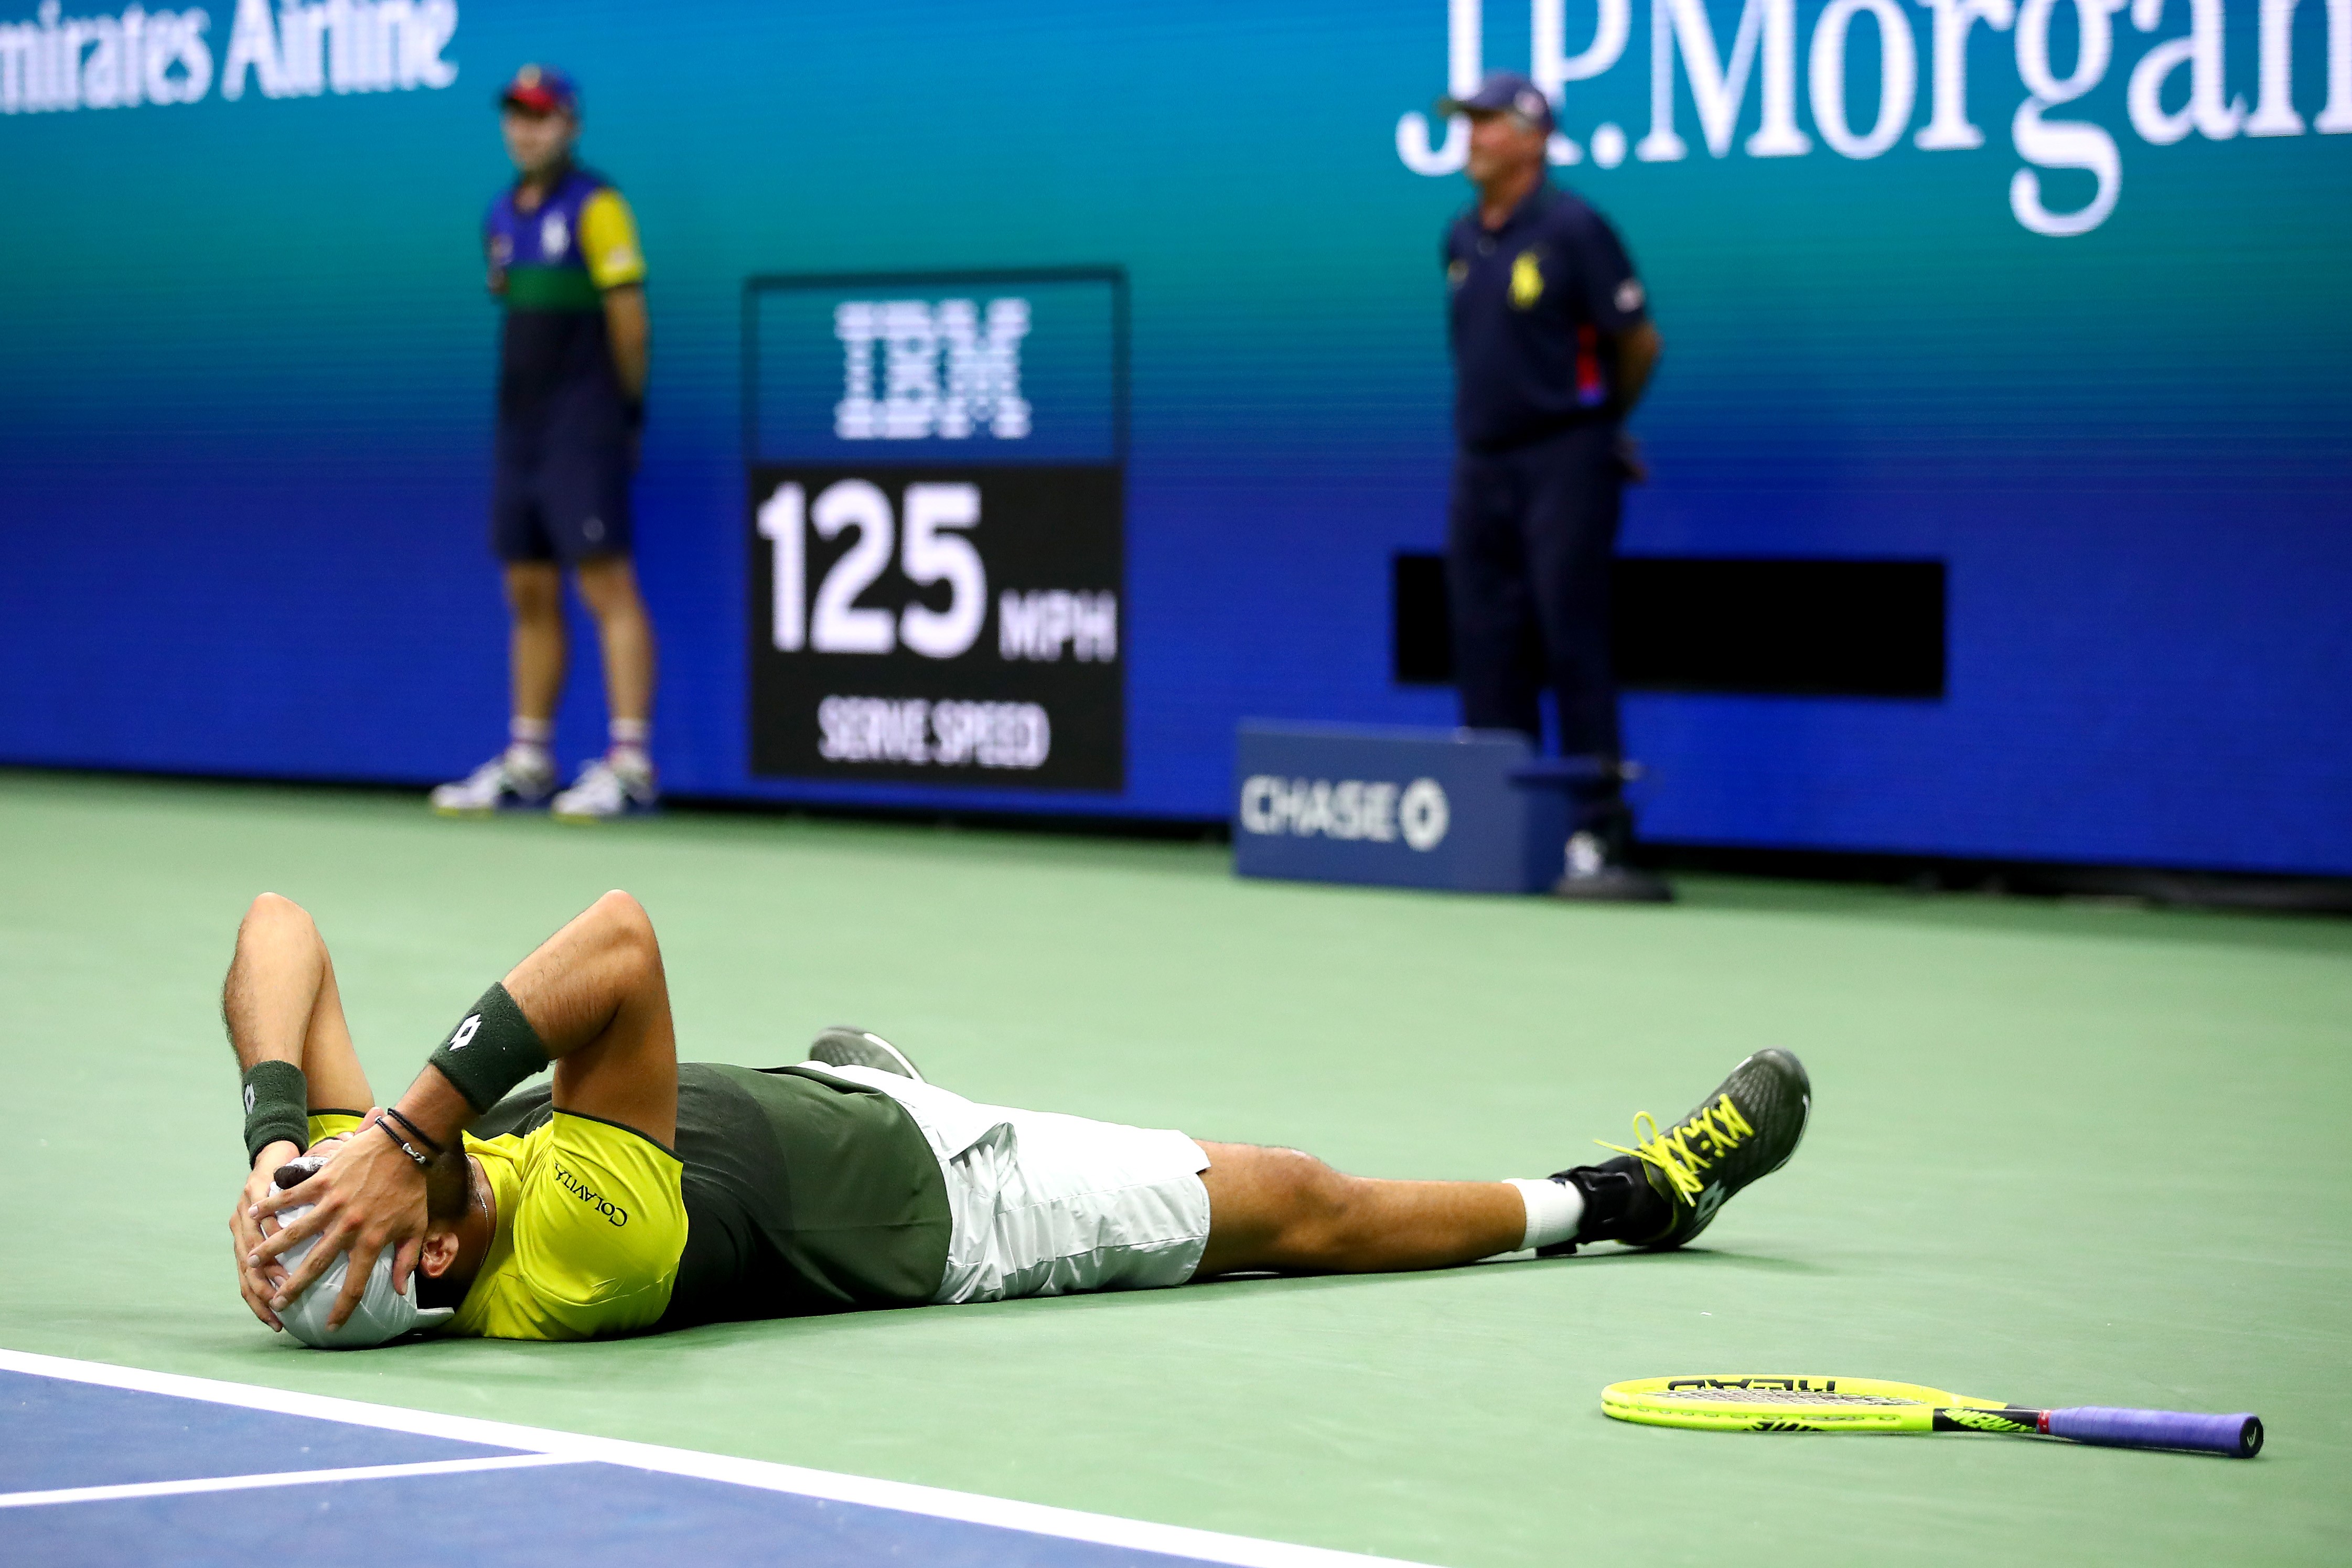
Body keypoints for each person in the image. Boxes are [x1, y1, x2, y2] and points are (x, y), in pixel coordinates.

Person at [224, 890, 1811, 1347]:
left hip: (819, 1113)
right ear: (427, 1251)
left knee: (839, 1076)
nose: (359, 1179)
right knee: (1300, 1200)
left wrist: (281, 1146)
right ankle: (1622, 1195)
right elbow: (617, 943)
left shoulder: (391, 1190)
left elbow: (277, 926)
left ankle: (884, 1077)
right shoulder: (572, 1250)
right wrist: (413, 1120)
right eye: (361, 1197)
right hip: (957, 1208)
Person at [1438, 72, 1668, 901]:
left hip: (1565, 461)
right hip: (1481, 464)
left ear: (1532, 137)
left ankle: (1595, 832)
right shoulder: (1461, 238)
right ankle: (1505, 830)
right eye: (1466, 124)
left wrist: (1598, 426)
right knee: (1483, 640)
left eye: (1486, 123)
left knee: (1571, 638)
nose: (1470, 137)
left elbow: (1637, 341)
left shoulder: (1575, 229)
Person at [430, 65, 660, 823]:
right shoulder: (499, 215)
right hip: (519, 430)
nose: (527, 128)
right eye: (516, 115)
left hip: (584, 424)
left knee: (606, 585)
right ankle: (530, 759)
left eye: (542, 116)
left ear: (571, 124)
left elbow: (628, 321)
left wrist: (622, 414)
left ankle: (630, 763)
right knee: (527, 589)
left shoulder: (599, 207)